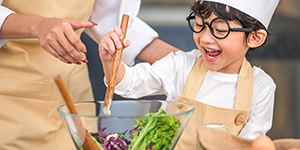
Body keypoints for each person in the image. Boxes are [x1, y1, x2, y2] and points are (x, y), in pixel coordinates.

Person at [99, 0, 279, 149]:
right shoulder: (182, 64)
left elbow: (254, 144)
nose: (205, 38)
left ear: (254, 37)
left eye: (220, 30)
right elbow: (131, 83)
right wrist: (110, 61)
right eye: (199, 25)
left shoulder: (261, 87)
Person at [0, 0, 178, 150]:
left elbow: (112, 23)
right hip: (12, 101)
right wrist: (38, 26)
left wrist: (193, 63)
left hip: (75, 99)